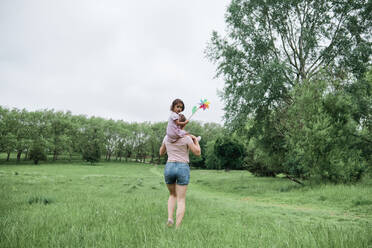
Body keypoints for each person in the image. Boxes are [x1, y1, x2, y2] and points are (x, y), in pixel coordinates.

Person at [159, 114, 201, 228]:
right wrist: (196, 141)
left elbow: (161, 152)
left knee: (172, 194)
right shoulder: (187, 138)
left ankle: (170, 218)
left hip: (170, 166)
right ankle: (177, 228)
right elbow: (197, 153)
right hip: (183, 167)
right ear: (182, 125)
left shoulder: (167, 137)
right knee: (181, 199)